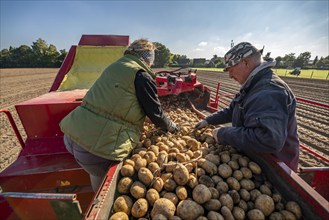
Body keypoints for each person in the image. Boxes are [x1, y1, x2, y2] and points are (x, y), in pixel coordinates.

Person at [60, 38, 178, 191]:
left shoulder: (115, 66)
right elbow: (157, 114)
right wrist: (172, 126)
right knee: (101, 184)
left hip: (72, 135)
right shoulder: (141, 75)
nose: (152, 64)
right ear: (148, 58)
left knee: (91, 168)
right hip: (96, 149)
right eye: (152, 60)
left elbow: (118, 103)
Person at [195, 42, 300, 171]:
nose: (230, 76)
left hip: (274, 168)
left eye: (231, 70)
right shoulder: (253, 84)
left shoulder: (269, 90)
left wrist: (223, 133)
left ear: (245, 63)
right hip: (255, 158)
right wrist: (209, 120)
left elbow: (268, 139)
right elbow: (233, 109)